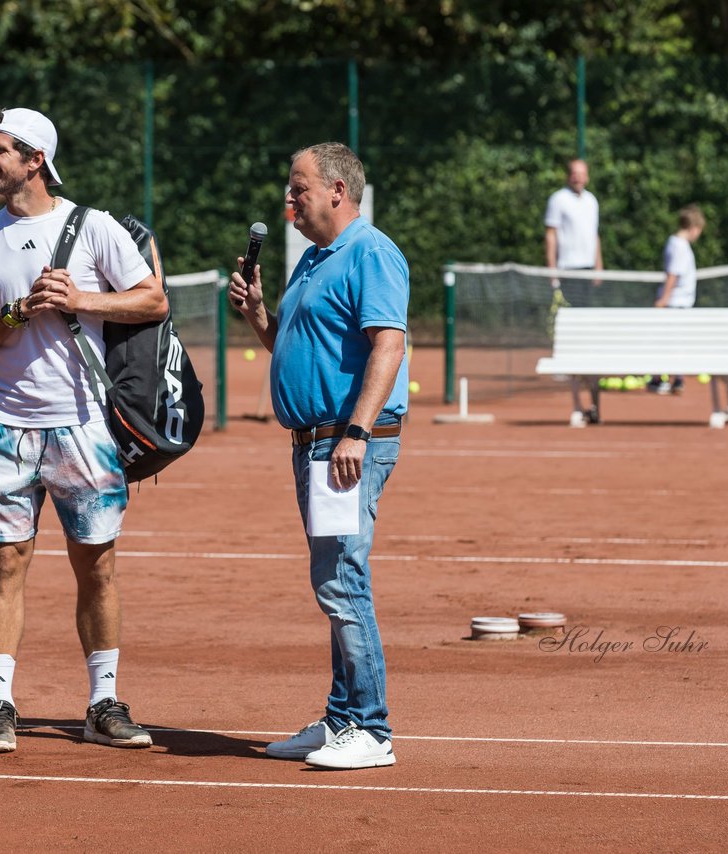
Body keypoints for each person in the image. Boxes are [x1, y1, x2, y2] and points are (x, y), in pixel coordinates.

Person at [0, 107, 168, 753]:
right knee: (5, 564)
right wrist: (16, 312)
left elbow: (151, 299)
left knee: (97, 567)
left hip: (83, 428)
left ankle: (103, 704)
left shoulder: (94, 227)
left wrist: (80, 301)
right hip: (6, 429)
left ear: (34, 160)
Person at [228, 142, 409, 770]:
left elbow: (388, 346)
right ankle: (341, 720)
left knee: (341, 579)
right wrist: (257, 314)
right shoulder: (312, 260)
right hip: (317, 445)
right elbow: (292, 344)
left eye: (298, 187)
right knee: (333, 578)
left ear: (337, 190)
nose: (289, 198)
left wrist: (356, 434)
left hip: (345, 444)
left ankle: (371, 729)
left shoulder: (372, 252)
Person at [647, 204, 705, 395]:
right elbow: (673, 274)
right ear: (694, 228)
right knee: (669, 342)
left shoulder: (677, 244)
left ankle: (670, 378)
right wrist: (664, 299)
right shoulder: (679, 246)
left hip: (678, 303)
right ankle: (665, 378)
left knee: (672, 342)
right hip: (675, 303)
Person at [544, 158, 603, 305]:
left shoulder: (591, 200)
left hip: (588, 269)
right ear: (568, 176)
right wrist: (552, 271)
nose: (578, 178)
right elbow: (550, 235)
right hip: (567, 269)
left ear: (587, 177)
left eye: (582, 174)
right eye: (575, 173)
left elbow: (594, 235)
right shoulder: (558, 199)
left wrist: (599, 267)